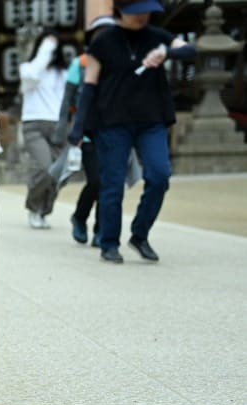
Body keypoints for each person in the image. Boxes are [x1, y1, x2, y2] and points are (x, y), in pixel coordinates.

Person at [68, 0, 194, 263]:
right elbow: (89, 86)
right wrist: (78, 127)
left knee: (160, 175)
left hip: (152, 121)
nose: (141, 17)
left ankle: (140, 234)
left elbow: (192, 50)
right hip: (111, 122)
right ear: (120, 12)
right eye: (135, 12)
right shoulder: (103, 42)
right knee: (112, 184)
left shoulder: (159, 37)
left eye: (146, 11)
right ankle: (109, 242)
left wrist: (166, 54)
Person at [59, 15, 117, 247]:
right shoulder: (81, 63)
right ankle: (80, 217)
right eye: (99, 32)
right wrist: (66, 129)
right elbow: (68, 100)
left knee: (110, 183)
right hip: (87, 132)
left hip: (114, 132)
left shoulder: (121, 65)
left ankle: (101, 230)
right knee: (96, 181)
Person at [20, 31, 69, 229]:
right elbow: (33, 74)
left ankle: (43, 210)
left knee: (58, 173)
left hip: (58, 127)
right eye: (47, 45)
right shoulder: (29, 69)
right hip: (33, 125)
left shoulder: (63, 73)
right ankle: (33, 207)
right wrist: (46, 47)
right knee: (43, 167)